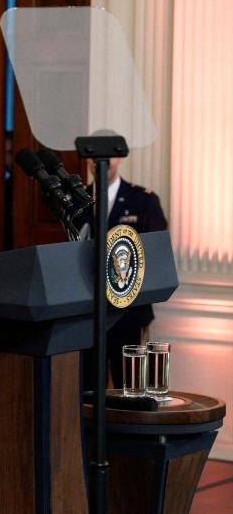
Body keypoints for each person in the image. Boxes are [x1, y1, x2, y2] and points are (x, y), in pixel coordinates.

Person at [77, 156, 168, 388]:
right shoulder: (77, 201)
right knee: (87, 392)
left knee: (129, 389)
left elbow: (156, 256)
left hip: (130, 311)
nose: (100, 163)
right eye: (94, 157)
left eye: (107, 157)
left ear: (119, 158)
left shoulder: (143, 201)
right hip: (87, 313)